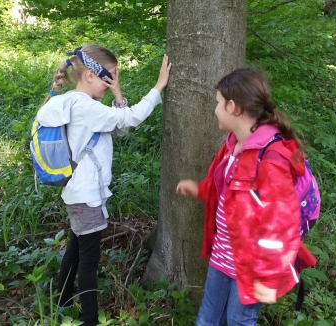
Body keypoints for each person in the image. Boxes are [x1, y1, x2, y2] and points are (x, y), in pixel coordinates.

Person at [35, 44, 171, 326]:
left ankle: (61, 300)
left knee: (76, 247)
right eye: (107, 78)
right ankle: (90, 321)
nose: (109, 85)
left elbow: (119, 129)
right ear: (89, 76)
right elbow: (130, 118)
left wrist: (118, 91)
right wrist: (158, 88)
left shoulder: (77, 103)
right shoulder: (85, 108)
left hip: (77, 195)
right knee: (88, 260)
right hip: (86, 197)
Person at [176, 68, 313, 326]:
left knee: (239, 320)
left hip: (252, 266)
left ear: (233, 107)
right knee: (207, 318)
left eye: (218, 103)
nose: (215, 109)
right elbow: (226, 191)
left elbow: (280, 226)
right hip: (223, 255)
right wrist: (199, 189)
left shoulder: (271, 159)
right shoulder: (233, 144)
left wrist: (268, 277)